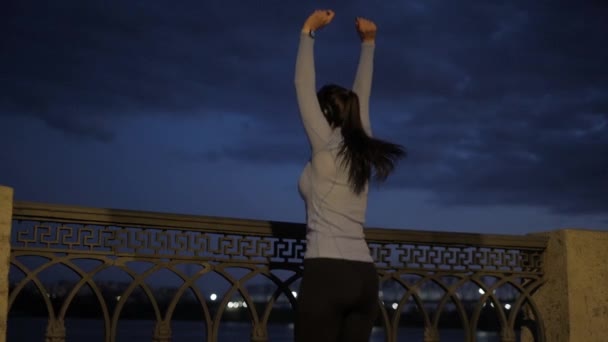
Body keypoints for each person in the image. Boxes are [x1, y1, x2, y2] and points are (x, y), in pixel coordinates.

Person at [294, 9, 406, 342]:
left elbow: (302, 83)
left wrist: (307, 33)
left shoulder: (324, 143)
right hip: (364, 276)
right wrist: (369, 44)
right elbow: (363, 94)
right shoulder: (362, 145)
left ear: (324, 113)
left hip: (326, 272)